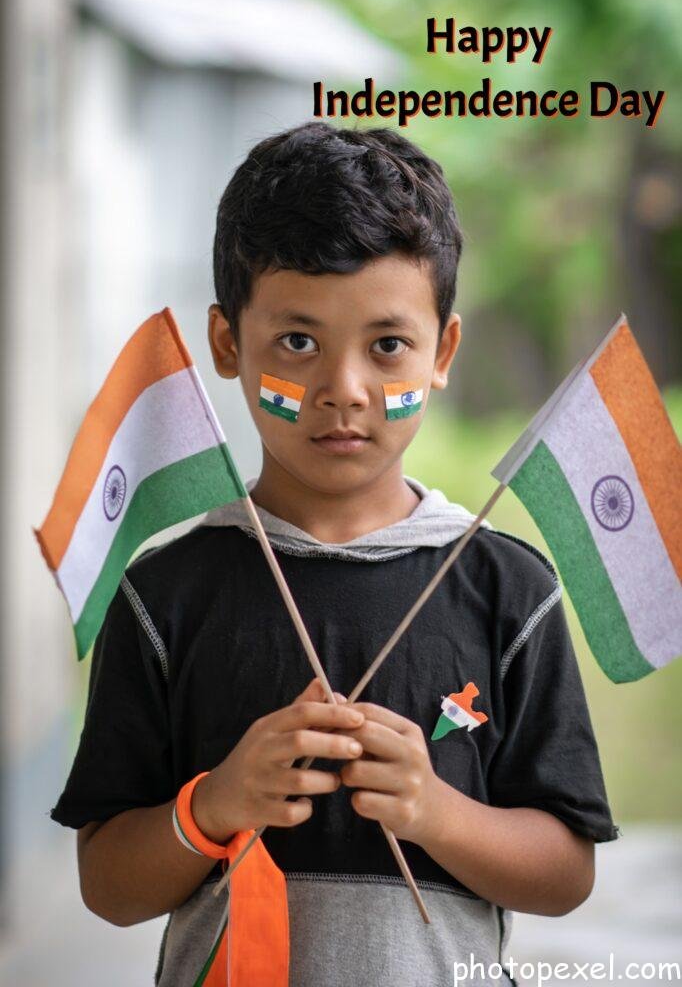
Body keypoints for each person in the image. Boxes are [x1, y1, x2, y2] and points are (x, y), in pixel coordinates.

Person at [50, 121, 620, 987]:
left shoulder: (507, 588)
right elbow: (108, 885)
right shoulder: (163, 595)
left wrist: (436, 812)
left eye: (387, 345)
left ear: (443, 354)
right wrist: (215, 805)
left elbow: (566, 873)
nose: (343, 391)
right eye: (298, 343)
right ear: (227, 345)